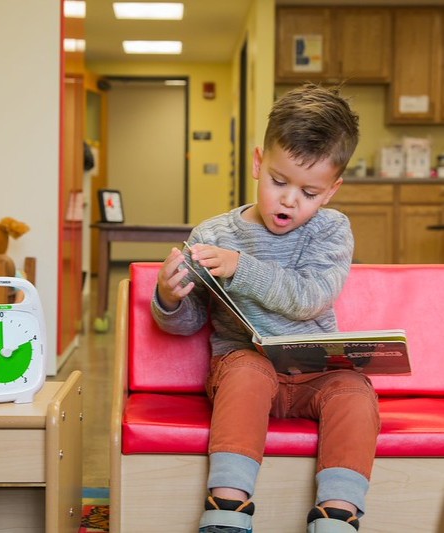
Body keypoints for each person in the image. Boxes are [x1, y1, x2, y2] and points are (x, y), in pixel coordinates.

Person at [151, 83, 379, 533]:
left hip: (316, 372)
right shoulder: (213, 234)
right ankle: (227, 508)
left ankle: (338, 514)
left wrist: (241, 267)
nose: (290, 199)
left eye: (309, 192)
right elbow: (191, 321)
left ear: (331, 190)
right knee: (247, 371)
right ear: (258, 163)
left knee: (356, 391)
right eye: (279, 182)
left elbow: (308, 298)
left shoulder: (331, 230)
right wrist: (170, 298)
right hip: (245, 367)